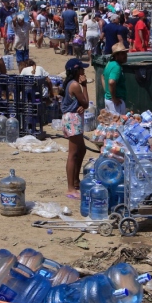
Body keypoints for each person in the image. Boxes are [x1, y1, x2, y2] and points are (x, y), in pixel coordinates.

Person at [61, 59, 89, 199]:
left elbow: (82, 104)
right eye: (82, 69)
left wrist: (82, 105)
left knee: (82, 149)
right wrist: (85, 86)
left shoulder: (70, 84)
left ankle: (76, 181)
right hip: (72, 120)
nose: (84, 71)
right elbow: (86, 103)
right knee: (73, 154)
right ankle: (70, 188)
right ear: (77, 71)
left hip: (73, 119)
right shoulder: (75, 85)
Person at [104, 43, 129, 115]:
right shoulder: (116, 67)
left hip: (109, 100)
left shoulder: (109, 63)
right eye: (122, 54)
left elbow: (102, 76)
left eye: (125, 53)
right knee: (119, 125)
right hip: (116, 103)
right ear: (116, 55)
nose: (125, 56)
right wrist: (114, 98)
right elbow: (111, 82)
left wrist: (107, 91)